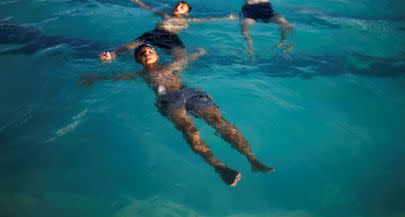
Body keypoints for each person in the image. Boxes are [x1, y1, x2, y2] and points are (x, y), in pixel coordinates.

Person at [84, 43, 273, 186]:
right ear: (138, 61)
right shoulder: (141, 74)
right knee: (189, 130)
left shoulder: (170, 66)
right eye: (142, 54)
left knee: (218, 121)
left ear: (156, 55)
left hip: (190, 93)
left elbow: (186, 60)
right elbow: (118, 77)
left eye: (149, 51)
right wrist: (95, 76)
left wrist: (198, 53)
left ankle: (252, 159)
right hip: (169, 100)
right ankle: (220, 167)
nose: (146, 54)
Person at [99, 0, 238, 61]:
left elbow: (208, 19)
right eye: (177, 5)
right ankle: (112, 54)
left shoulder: (188, 19)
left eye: (182, 7)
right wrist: (137, 1)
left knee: (181, 56)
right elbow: (149, 8)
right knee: (133, 44)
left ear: (186, 12)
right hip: (156, 34)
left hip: (171, 38)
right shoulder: (165, 15)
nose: (178, 7)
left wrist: (227, 18)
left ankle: (171, 74)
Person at [187, 0, 294, 59]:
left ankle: (283, 42)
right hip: (251, 10)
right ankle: (250, 50)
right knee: (244, 31)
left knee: (285, 23)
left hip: (265, 10)